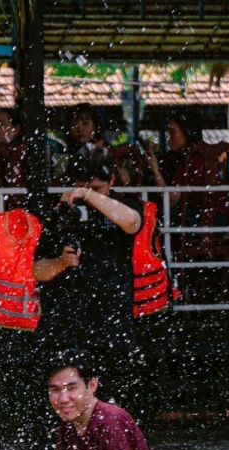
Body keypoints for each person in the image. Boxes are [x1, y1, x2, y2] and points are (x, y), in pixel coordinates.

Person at [35, 149, 147, 412]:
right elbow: (37, 270)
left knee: (112, 408)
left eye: (97, 187)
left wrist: (89, 195)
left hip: (111, 326)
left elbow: (132, 222)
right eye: (82, 186)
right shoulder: (62, 211)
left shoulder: (125, 203)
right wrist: (61, 263)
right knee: (64, 407)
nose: (89, 193)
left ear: (112, 181)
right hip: (65, 327)